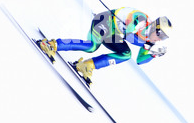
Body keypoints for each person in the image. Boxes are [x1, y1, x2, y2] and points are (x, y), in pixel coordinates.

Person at [39, 7, 172, 84]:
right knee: (92, 46)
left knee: (126, 55)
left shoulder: (150, 41)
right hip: (104, 22)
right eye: (161, 35)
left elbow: (139, 60)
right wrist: (132, 26)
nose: (160, 39)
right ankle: (52, 44)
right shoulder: (142, 19)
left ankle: (88, 65)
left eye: (164, 38)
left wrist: (153, 55)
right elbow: (132, 16)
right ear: (156, 28)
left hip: (114, 34)